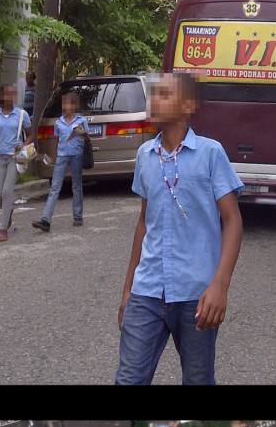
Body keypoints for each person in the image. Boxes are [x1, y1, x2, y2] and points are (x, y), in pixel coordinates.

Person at [116, 72, 243, 386]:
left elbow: (232, 221)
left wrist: (220, 286)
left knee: (198, 379)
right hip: (147, 291)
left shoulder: (210, 153)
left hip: (196, 294)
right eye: (153, 94)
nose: (154, 100)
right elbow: (145, 222)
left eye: (164, 95)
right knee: (129, 379)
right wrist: (128, 289)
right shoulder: (145, 157)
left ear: (187, 106)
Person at [32, 92, 88, 232]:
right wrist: (56, 155)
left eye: (69, 104)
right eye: (64, 104)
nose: (66, 106)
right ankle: (46, 219)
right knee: (55, 187)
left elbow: (87, 140)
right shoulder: (58, 122)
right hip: (62, 156)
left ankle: (78, 216)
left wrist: (84, 135)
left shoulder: (82, 121)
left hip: (77, 155)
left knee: (76, 186)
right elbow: (58, 139)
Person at [0, 84, 33, 242]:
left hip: (15, 158)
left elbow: (30, 135)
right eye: (6, 94)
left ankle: (3, 228)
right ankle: (9, 210)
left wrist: (23, 146)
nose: (9, 97)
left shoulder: (22, 115)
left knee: (7, 192)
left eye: (12, 94)